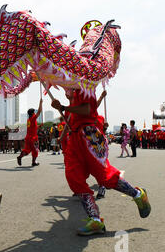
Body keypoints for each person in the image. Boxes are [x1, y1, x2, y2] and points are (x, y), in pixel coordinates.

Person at [51, 89, 151, 236]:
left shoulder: (85, 85)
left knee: (104, 177)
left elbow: (87, 109)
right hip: (74, 140)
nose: (66, 90)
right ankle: (95, 219)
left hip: (89, 135)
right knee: (74, 177)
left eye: (68, 89)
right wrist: (63, 133)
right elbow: (70, 121)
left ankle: (137, 194)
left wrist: (63, 107)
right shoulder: (72, 90)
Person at [17, 99, 43, 166]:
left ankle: (20, 157)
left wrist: (39, 126)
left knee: (27, 150)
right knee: (35, 150)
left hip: (28, 137)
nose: (35, 113)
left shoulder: (29, 120)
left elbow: (33, 127)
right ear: (32, 113)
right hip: (33, 138)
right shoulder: (33, 118)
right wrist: (40, 103)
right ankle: (33, 162)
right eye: (34, 112)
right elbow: (39, 111)